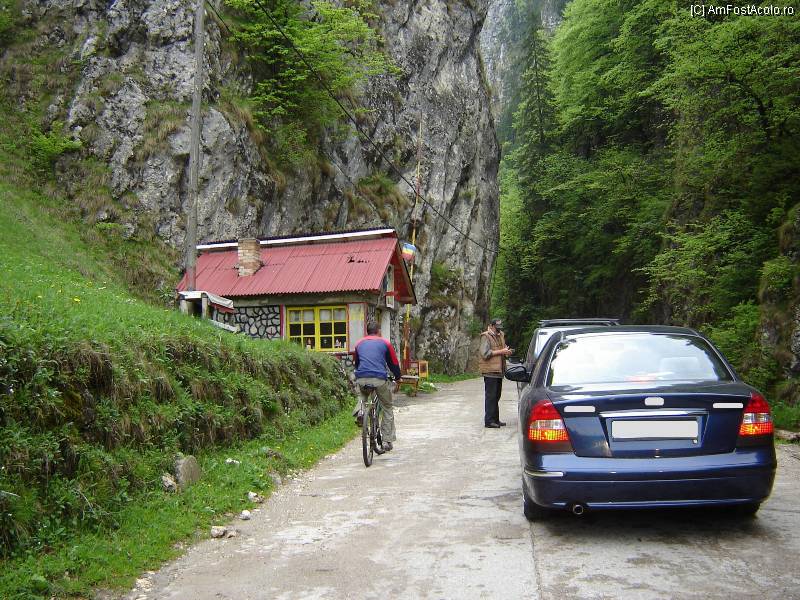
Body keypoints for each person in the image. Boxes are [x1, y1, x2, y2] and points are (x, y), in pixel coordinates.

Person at [353, 321, 402, 452]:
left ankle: (360, 411)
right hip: (379, 378)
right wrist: (398, 377)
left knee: (362, 396)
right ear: (378, 331)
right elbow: (393, 363)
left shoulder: (359, 343)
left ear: (367, 332)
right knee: (387, 407)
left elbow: (357, 363)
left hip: (362, 377)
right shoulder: (385, 343)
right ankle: (386, 441)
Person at [479, 317, 513, 428]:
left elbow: (502, 350)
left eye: (500, 327)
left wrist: (507, 352)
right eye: (496, 327)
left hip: (499, 371)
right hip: (490, 371)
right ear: (491, 326)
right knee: (491, 397)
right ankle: (489, 421)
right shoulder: (485, 336)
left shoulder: (501, 335)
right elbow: (485, 354)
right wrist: (501, 351)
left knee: (496, 396)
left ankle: (496, 420)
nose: (499, 329)